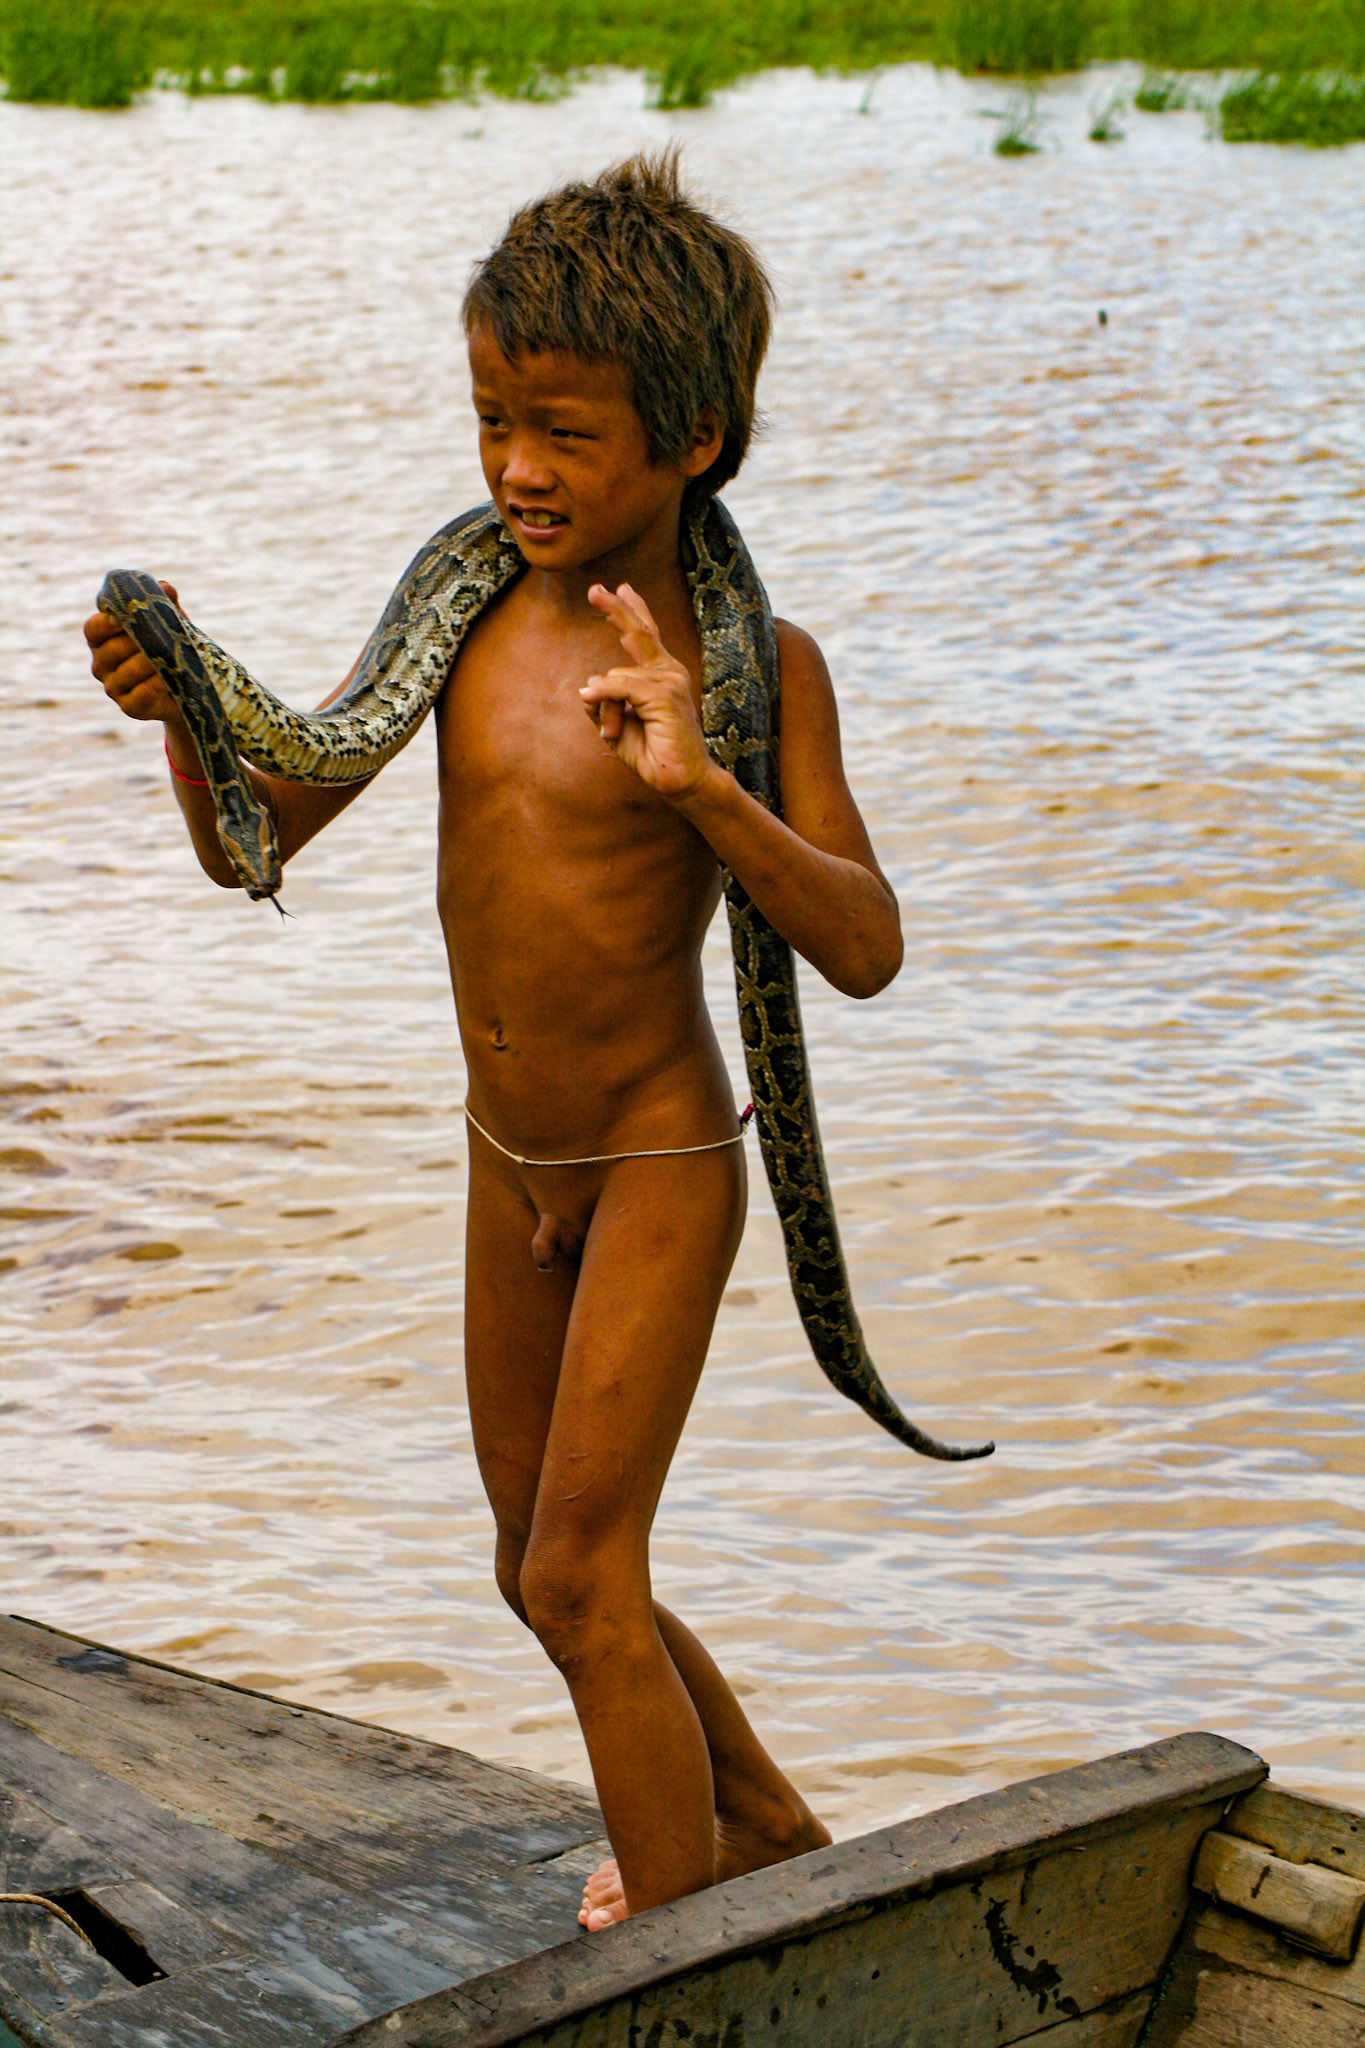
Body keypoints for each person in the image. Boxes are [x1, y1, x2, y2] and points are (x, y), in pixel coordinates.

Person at [85, 152, 903, 1932]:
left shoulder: (756, 666)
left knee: (582, 1568)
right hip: (503, 1159)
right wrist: (185, 710)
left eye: (562, 433)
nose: (515, 470)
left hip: (658, 1161)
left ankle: (683, 1967)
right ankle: (760, 1828)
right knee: (538, 1577)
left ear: (693, 440)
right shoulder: (459, 618)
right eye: (489, 422)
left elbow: (860, 949)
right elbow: (256, 847)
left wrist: (699, 786)